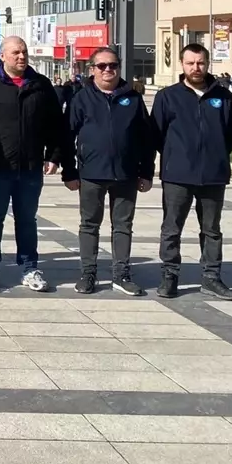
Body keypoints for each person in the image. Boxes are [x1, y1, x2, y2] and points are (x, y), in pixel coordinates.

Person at [0, 36, 65, 293]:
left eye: (24, 52)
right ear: (3, 56)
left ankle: (30, 267)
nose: (21, 57)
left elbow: (56, 125)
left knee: (27, 219)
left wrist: (53, 156)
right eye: (15, 53)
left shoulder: (41, 85)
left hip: (30, 167)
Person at [61, 47, 156, 296]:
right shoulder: (81, 98)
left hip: (126, 175)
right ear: (92, 69)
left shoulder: (133, 98)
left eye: (112, 65)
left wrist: (146, 172)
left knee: (123, 225)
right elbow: (66, 136)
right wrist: (69, 172)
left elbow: (146, 139)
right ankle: (88, 273)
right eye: (101, 66)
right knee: (89, 225)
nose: (108, 70)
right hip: (91, 174)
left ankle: (121, 274)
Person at [152, 43, 232, 301]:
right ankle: (170, 276)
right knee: (172, 228)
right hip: (177, 175)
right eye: (190, 63)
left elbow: (231, 134)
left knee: (212, 229)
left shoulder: (223, 96)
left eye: (200, 62)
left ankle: (211, 277)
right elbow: (156, 134)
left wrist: (215, 156)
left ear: (208, 63)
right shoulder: (168, 96)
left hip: (213, 175)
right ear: (182, 65)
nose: (196, 68)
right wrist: (175, 157)